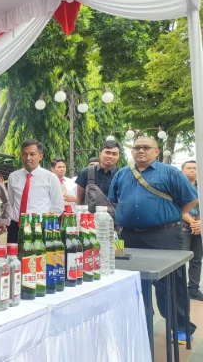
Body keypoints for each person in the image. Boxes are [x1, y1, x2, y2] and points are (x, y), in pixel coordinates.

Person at [109, 136, 198, 343]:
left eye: (146, 147)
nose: (141, 151)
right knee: (129, 281)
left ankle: (182, 327)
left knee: (171, 283)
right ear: (132, 152)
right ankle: (136, 323)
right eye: (137, 147)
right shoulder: (122, 174)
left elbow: (191, 199)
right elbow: (113, 201)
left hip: (164, 235)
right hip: (128, 235)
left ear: (156, 152)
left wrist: (170, 215)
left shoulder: (170, 172)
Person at [7, 139, 64, 243]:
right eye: (24, 154)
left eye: (32, 154)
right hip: (15, 227)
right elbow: (10, 203)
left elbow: (58, 207)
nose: (28, 158)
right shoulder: (13, 176)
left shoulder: (50, 178)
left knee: (38, 258)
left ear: (40, 156)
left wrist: (46, 229)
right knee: (13, 258)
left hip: (39, 228)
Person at [181, 160, 203, 300]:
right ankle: (180, 289)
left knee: (197, 259)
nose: (192, 171)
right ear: (182, 171)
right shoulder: (178, 186)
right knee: (180, 260)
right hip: (182, 228)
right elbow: (178, 207)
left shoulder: (200, 187)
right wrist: (194, 223)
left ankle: (193, 289)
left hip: (200, 229)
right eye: (189, 168)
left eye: (195, 168)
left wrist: (200, 223)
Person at [75, 141, 121, 205]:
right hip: (90, 214)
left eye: (114, 154)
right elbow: (79, 198)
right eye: (107, 153)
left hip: (113, 213)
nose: (110, 156)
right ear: (100, 154)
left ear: (119, 157)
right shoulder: (86, 172)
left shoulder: (121, 175)